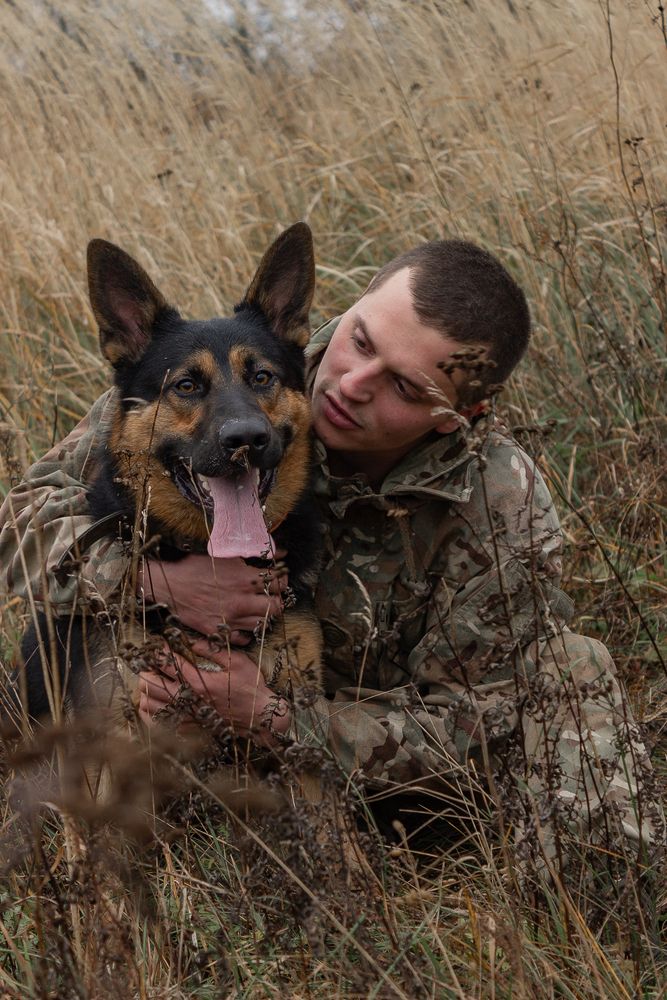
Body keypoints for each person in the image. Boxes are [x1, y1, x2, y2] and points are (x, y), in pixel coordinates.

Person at [1, 238, 663, 900]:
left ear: (462, 413)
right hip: (193, 739)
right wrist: (147, 581)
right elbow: (20, 517)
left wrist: (278, 719)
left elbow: (485, 722)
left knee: (571, 669)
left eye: (403, 386)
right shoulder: (235, 368)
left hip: (366, 738)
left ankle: (592, 899)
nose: (349, 385)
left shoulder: (498, 499)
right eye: (362, 341)